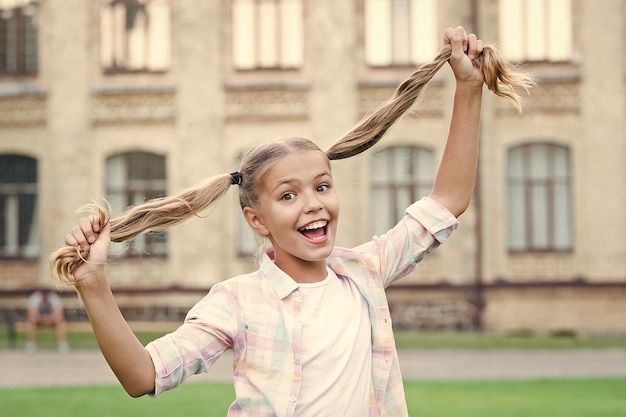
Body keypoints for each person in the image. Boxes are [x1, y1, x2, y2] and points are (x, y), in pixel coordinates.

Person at [50, 27, 533, 416]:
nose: (314, 204)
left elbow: (446, 201)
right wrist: (93, 284)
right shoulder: (237, 302)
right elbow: (143, 376)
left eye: (322, 186)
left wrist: (468, 88)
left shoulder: (365, 272)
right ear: (256, 220)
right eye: (289, 195)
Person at [25, 289, 70, 353]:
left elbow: (59, 314)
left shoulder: (54, 298)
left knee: (61, 323)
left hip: (52, 320)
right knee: (30, 322)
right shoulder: (35, 297)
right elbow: (31, 315)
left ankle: (63, 345)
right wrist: (42, 318)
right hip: (39, 321)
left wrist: (48, 318)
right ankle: (30, 345)